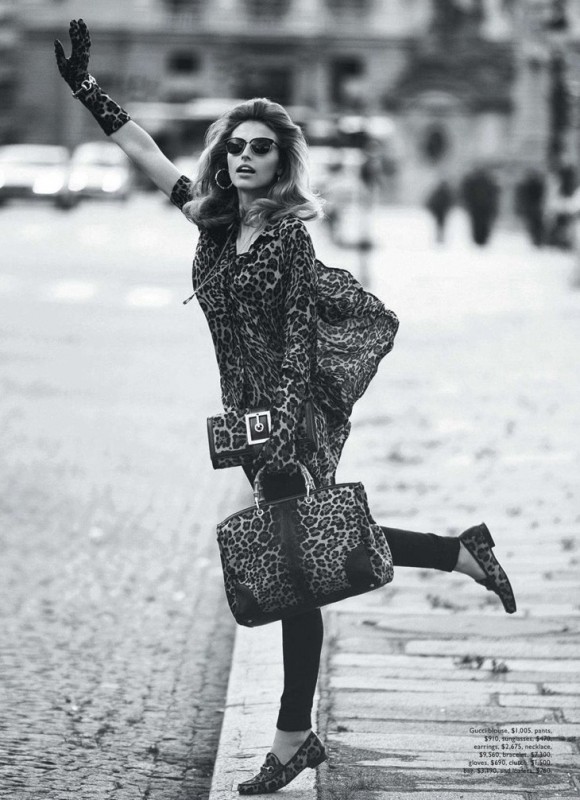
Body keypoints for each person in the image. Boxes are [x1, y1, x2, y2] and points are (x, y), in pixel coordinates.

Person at [55, 20, 517, 796]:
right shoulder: (211, 220)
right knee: (305, 548)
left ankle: (293, 736)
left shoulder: (287, 239)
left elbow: (299, 342)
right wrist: (87, 90)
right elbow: (146, 152)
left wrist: (289, 444)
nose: (244, 157)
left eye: (260, 149)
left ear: (280, 163)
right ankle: (459, 553)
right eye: (236, 147)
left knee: (298, 569)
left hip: (288, 420)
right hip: (247, 419)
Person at [461, 166, 500, 246]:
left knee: (478, 223)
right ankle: (482, 239)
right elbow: (494, 193)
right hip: (483, 206)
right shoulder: (488, 181)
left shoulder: (473, 181)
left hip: (478, 206)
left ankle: (479, 239)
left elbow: (466, 193)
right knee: (483, 223)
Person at [514, 170, 545, 247]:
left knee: (534, 224)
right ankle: (537, 240)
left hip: (534, 208)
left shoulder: (528, 185)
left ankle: (537, 240)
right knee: (534, 224)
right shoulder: (536, 184)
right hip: (534, 208)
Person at [425, 179, 455, 243]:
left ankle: (440, 237)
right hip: (440, 211)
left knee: (440, 224)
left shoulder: (441, 192)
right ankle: (440, 237)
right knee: (440, 224)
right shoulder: (444, 193)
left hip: (441, 211)